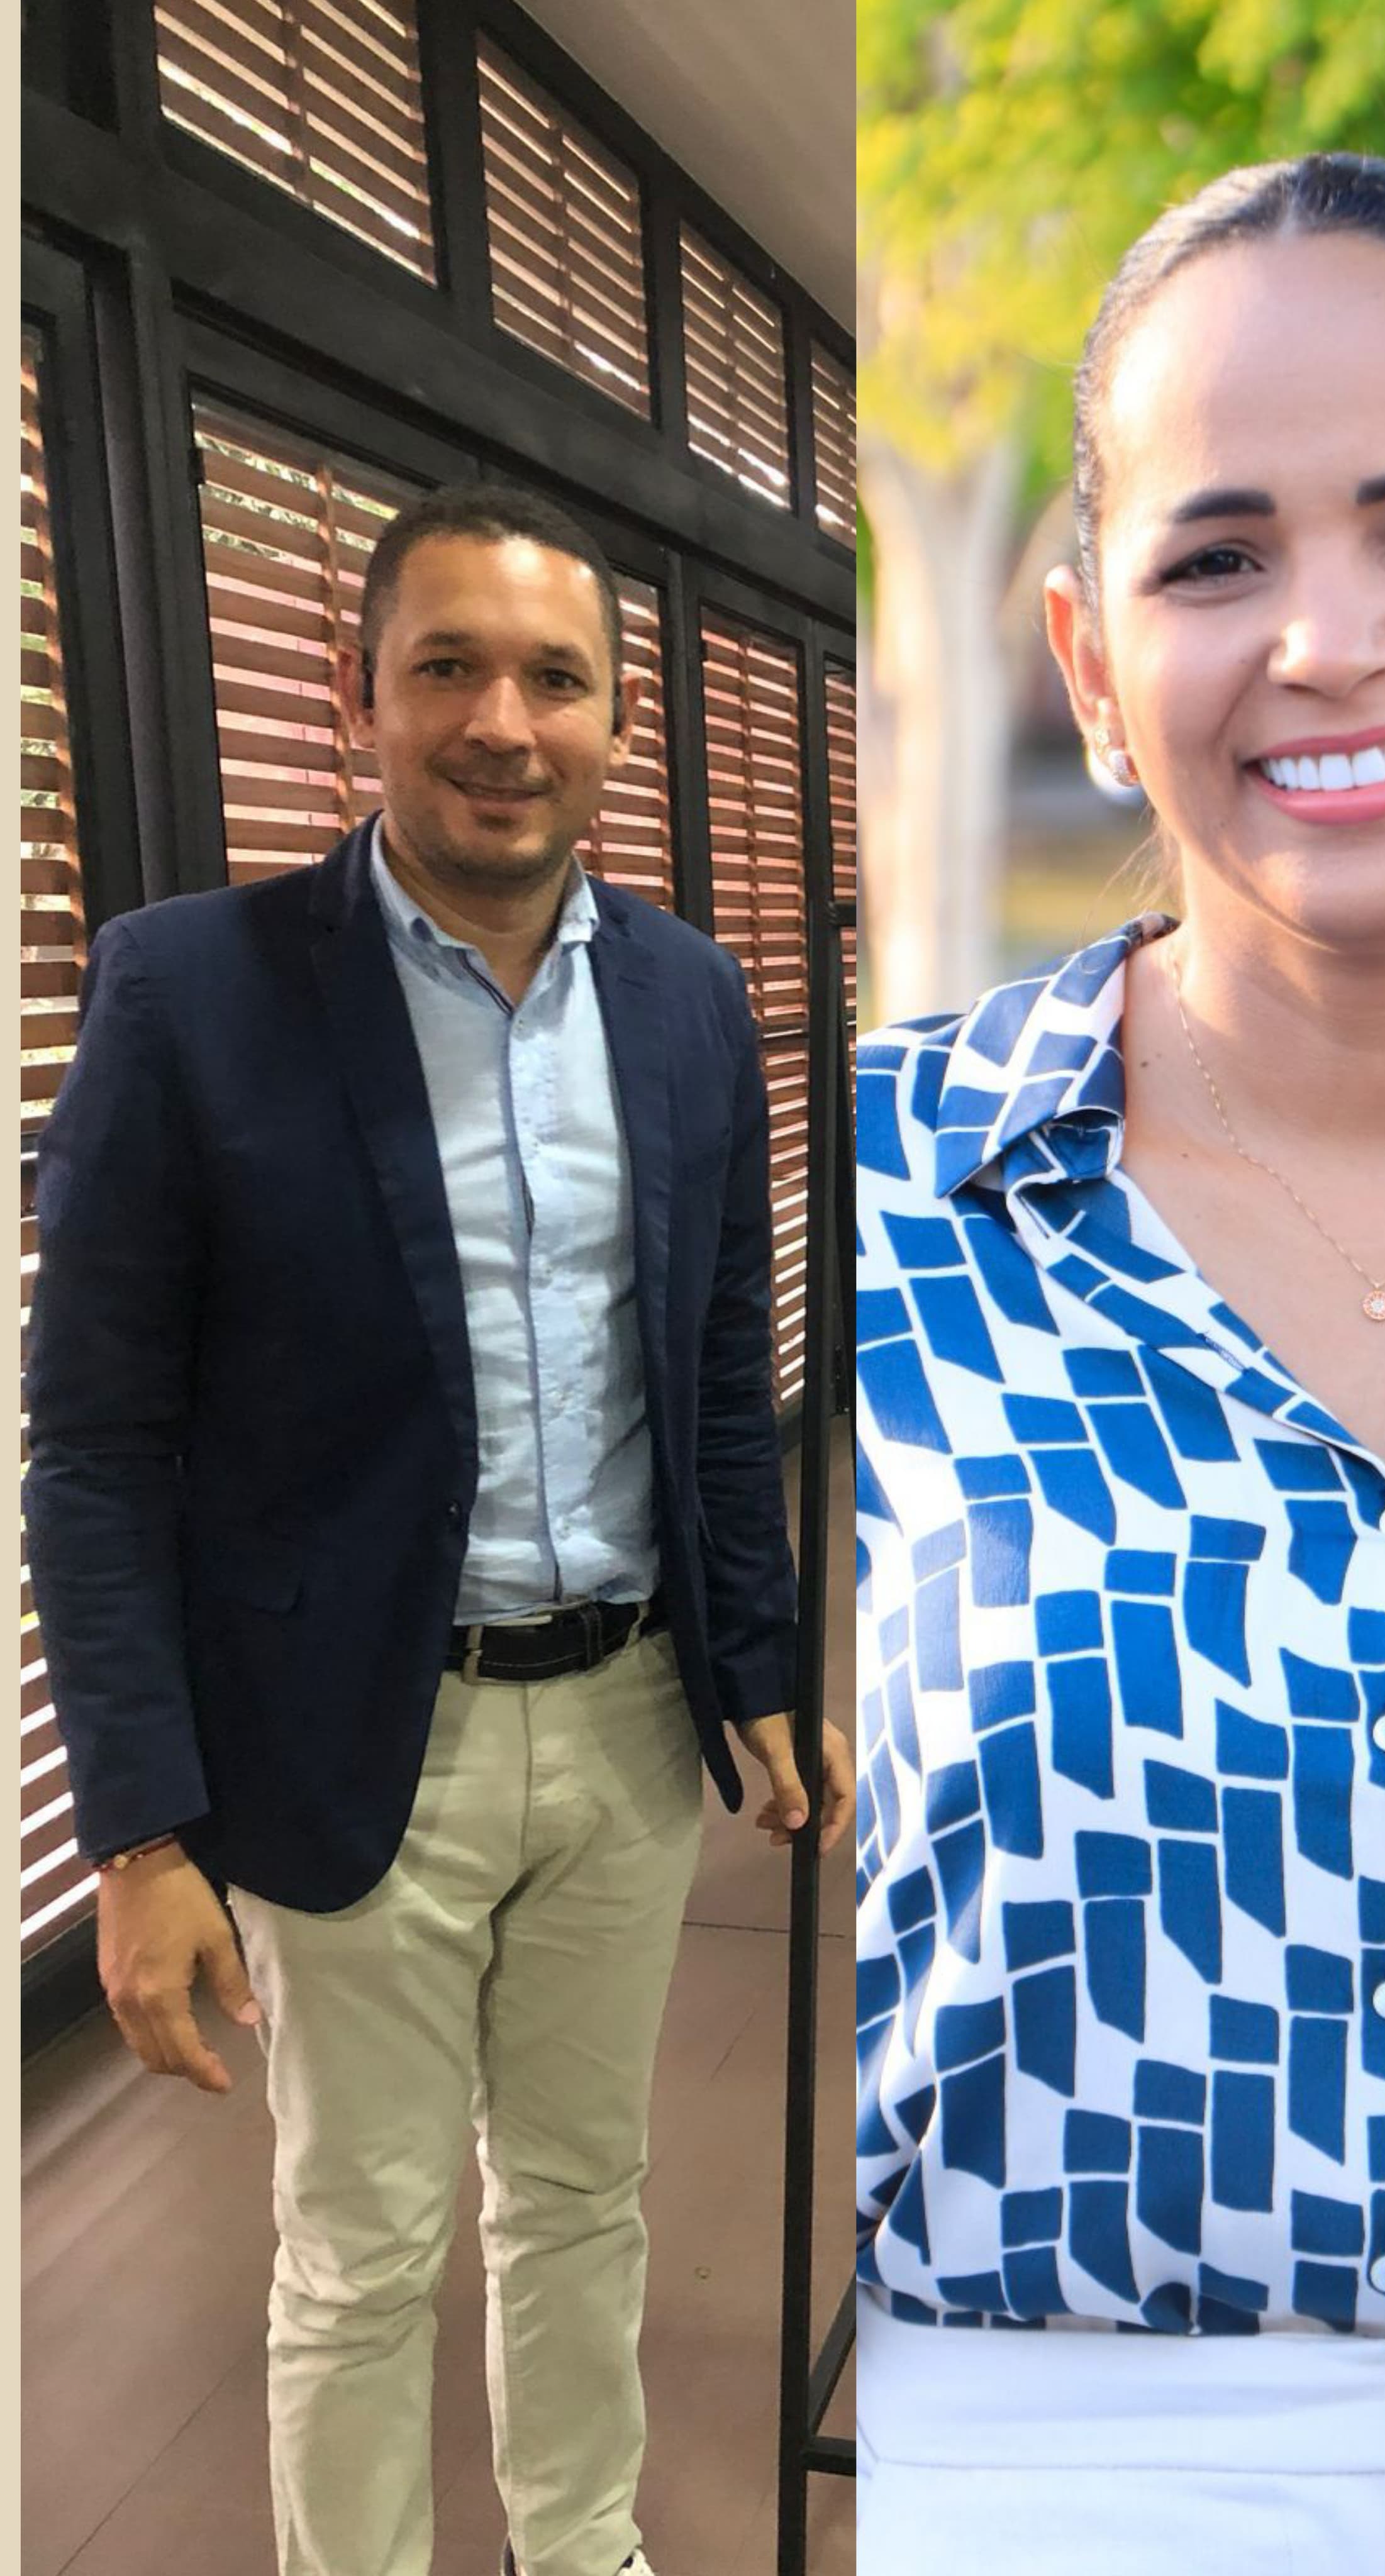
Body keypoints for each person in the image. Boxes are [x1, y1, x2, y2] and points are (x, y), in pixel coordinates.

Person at [849, 154, 1385, 2569]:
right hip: (1028, 2473)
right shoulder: (874, 1198)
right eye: (1219, 560)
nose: (1330, 641)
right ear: (1089, 667)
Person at [26, 481, 856, 2576]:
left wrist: (762, 1669)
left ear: (616, 718)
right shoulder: (192, 990)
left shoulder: (689, 997)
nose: (505, 722)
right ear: (359, 697)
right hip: (346, 1730)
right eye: (450, 669)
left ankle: (581, 2548)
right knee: (364, 2241)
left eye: (556, 678)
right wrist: (141, 1835)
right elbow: (96, 1443)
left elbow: (716, 1364)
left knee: (585, 2194)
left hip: (630, 1719)